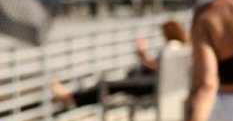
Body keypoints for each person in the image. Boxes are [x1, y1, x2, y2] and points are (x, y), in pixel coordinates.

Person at [50, 19, 189, 109]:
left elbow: (159, 69)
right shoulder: (182, 47)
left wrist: (142, 55)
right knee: (115, 83)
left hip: (152, 87)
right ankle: (72, 97)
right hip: (160, 86)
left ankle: (70, 97)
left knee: (108, 85)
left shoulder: (172, 47)